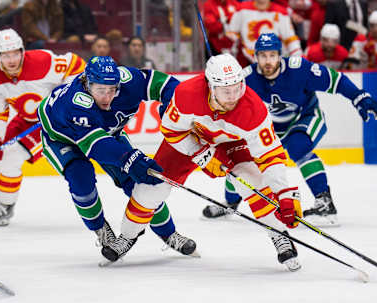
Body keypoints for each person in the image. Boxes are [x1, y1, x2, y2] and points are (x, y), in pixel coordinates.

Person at [102, 53, 304, 271]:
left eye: (237, 88)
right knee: (151, 189)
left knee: (251, 180)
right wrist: (203, 154)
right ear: (211, 86)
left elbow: (270, 155)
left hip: (231, 143)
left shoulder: (254, 110)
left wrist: (284, 193)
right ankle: (128, 235)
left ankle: (279, 234)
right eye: (226, 91)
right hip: (190, 137)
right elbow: (171, 129)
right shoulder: (186, 94)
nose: (233, 96)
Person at [202, 33, 377, 227]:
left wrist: (359, 97)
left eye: (272, 55)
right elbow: (228, 102)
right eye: (263, 56)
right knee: (241, 155)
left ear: (280, 55)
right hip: (269, 127)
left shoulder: (300, 69)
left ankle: (325, 203)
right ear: (255, 56)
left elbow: (336, 80)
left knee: (298, 146)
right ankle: (231, 202)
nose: (268, 61)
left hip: (305, 117)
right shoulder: (246, 78)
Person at [37, 56, 198, 262]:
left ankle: (169, 233)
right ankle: (100, 229)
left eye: (111, 89)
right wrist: (129, 158)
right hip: (62, 138)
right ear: (88, 83)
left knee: (139, 183)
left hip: (106, 133)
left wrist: (173, 105)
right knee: (81, 179)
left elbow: (164, 84)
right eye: (100, 91)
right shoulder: (76, 103)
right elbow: (97, 145)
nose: (107, 97)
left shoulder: (129, 80)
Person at [0, 28, 85, 226]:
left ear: (23, 51)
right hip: (26, 119)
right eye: (6, 55)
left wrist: (66, 96)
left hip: (51, 122)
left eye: (15, 53)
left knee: (11, 157)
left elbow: (76, 64)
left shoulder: (43, 62)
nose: (12, 59)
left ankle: (4, 208)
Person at [226, 0, 301, 66]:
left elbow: (291, 40)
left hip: (275, 60)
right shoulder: (242, 9)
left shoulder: (281, 12)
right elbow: (231, 35)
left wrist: (297, 59)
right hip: (247, 59)